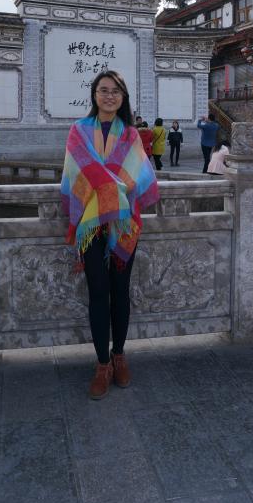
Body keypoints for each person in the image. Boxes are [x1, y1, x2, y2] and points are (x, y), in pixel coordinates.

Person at [61, 70, 159, 397]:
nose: (109, 96)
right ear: (94, 95)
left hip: (122, 222)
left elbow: (141, 174)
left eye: (116, 91)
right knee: (98, 290)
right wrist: (111, 188)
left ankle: (119, 355)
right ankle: (102, 363)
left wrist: (111, 189)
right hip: (91, 223)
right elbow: (77, 169)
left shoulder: (130, 134)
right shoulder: (78, 130)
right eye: (103, 90)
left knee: (120, 289)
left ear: (123, 97)